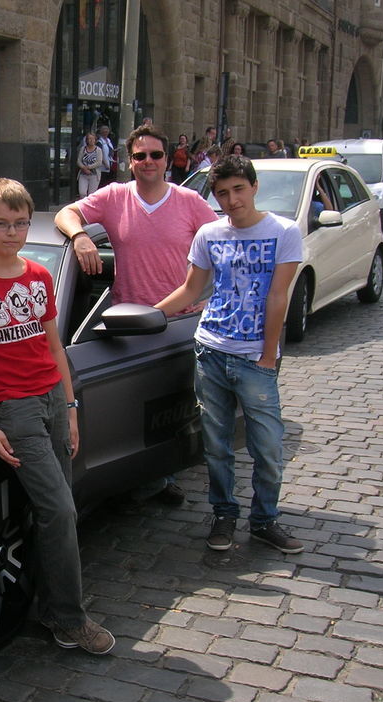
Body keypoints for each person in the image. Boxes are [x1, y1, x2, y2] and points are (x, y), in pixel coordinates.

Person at [0, 177, 115, 656]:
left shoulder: (39, 276)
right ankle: (69, 618)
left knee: (58, 510)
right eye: (2, 224)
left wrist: (71, 405)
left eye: (21, 223)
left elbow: (53, 345)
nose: (13, 233)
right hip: (10, 408)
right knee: (58, 510)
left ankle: (49, 602)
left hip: (51, 401)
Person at [54, 124, 217, 506]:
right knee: (137, 404)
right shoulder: (114, 197)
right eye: (140, 155)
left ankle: (169, 472)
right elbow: (67, 212)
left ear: (167, 161)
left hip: (178, 319)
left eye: (156, 155)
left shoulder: (189, 201)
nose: (148, 162)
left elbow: (221, 242)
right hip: (127, 322)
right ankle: (139, 472)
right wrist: (79, 236)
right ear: (130, 161)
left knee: (174, 404)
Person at [155, 155, 304, 554]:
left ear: (254, 187)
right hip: (211, 350)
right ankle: (224, 514)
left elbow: (278, 296)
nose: (232, 199)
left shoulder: (284, 232)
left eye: (238, 189)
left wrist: (268, 355)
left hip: (255, 358)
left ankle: (264, 519)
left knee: (268, 448)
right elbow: (191, 290)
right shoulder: (208, 233)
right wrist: (150, 314)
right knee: (216, 446)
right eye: (223, 193)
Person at [77, 132, 103, 197]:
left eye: (93, 139)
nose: (91, 140)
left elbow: (99, 162)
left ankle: (89, 206)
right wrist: (83, 168)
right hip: (83, 174)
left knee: (91, 194)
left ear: (95, 140)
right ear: (87, 140)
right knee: (82, 192)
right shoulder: (83, 149)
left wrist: (89, 167)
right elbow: (78, 161)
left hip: (94, 174)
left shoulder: (98, 150)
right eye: (89, 139)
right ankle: (83, 206)